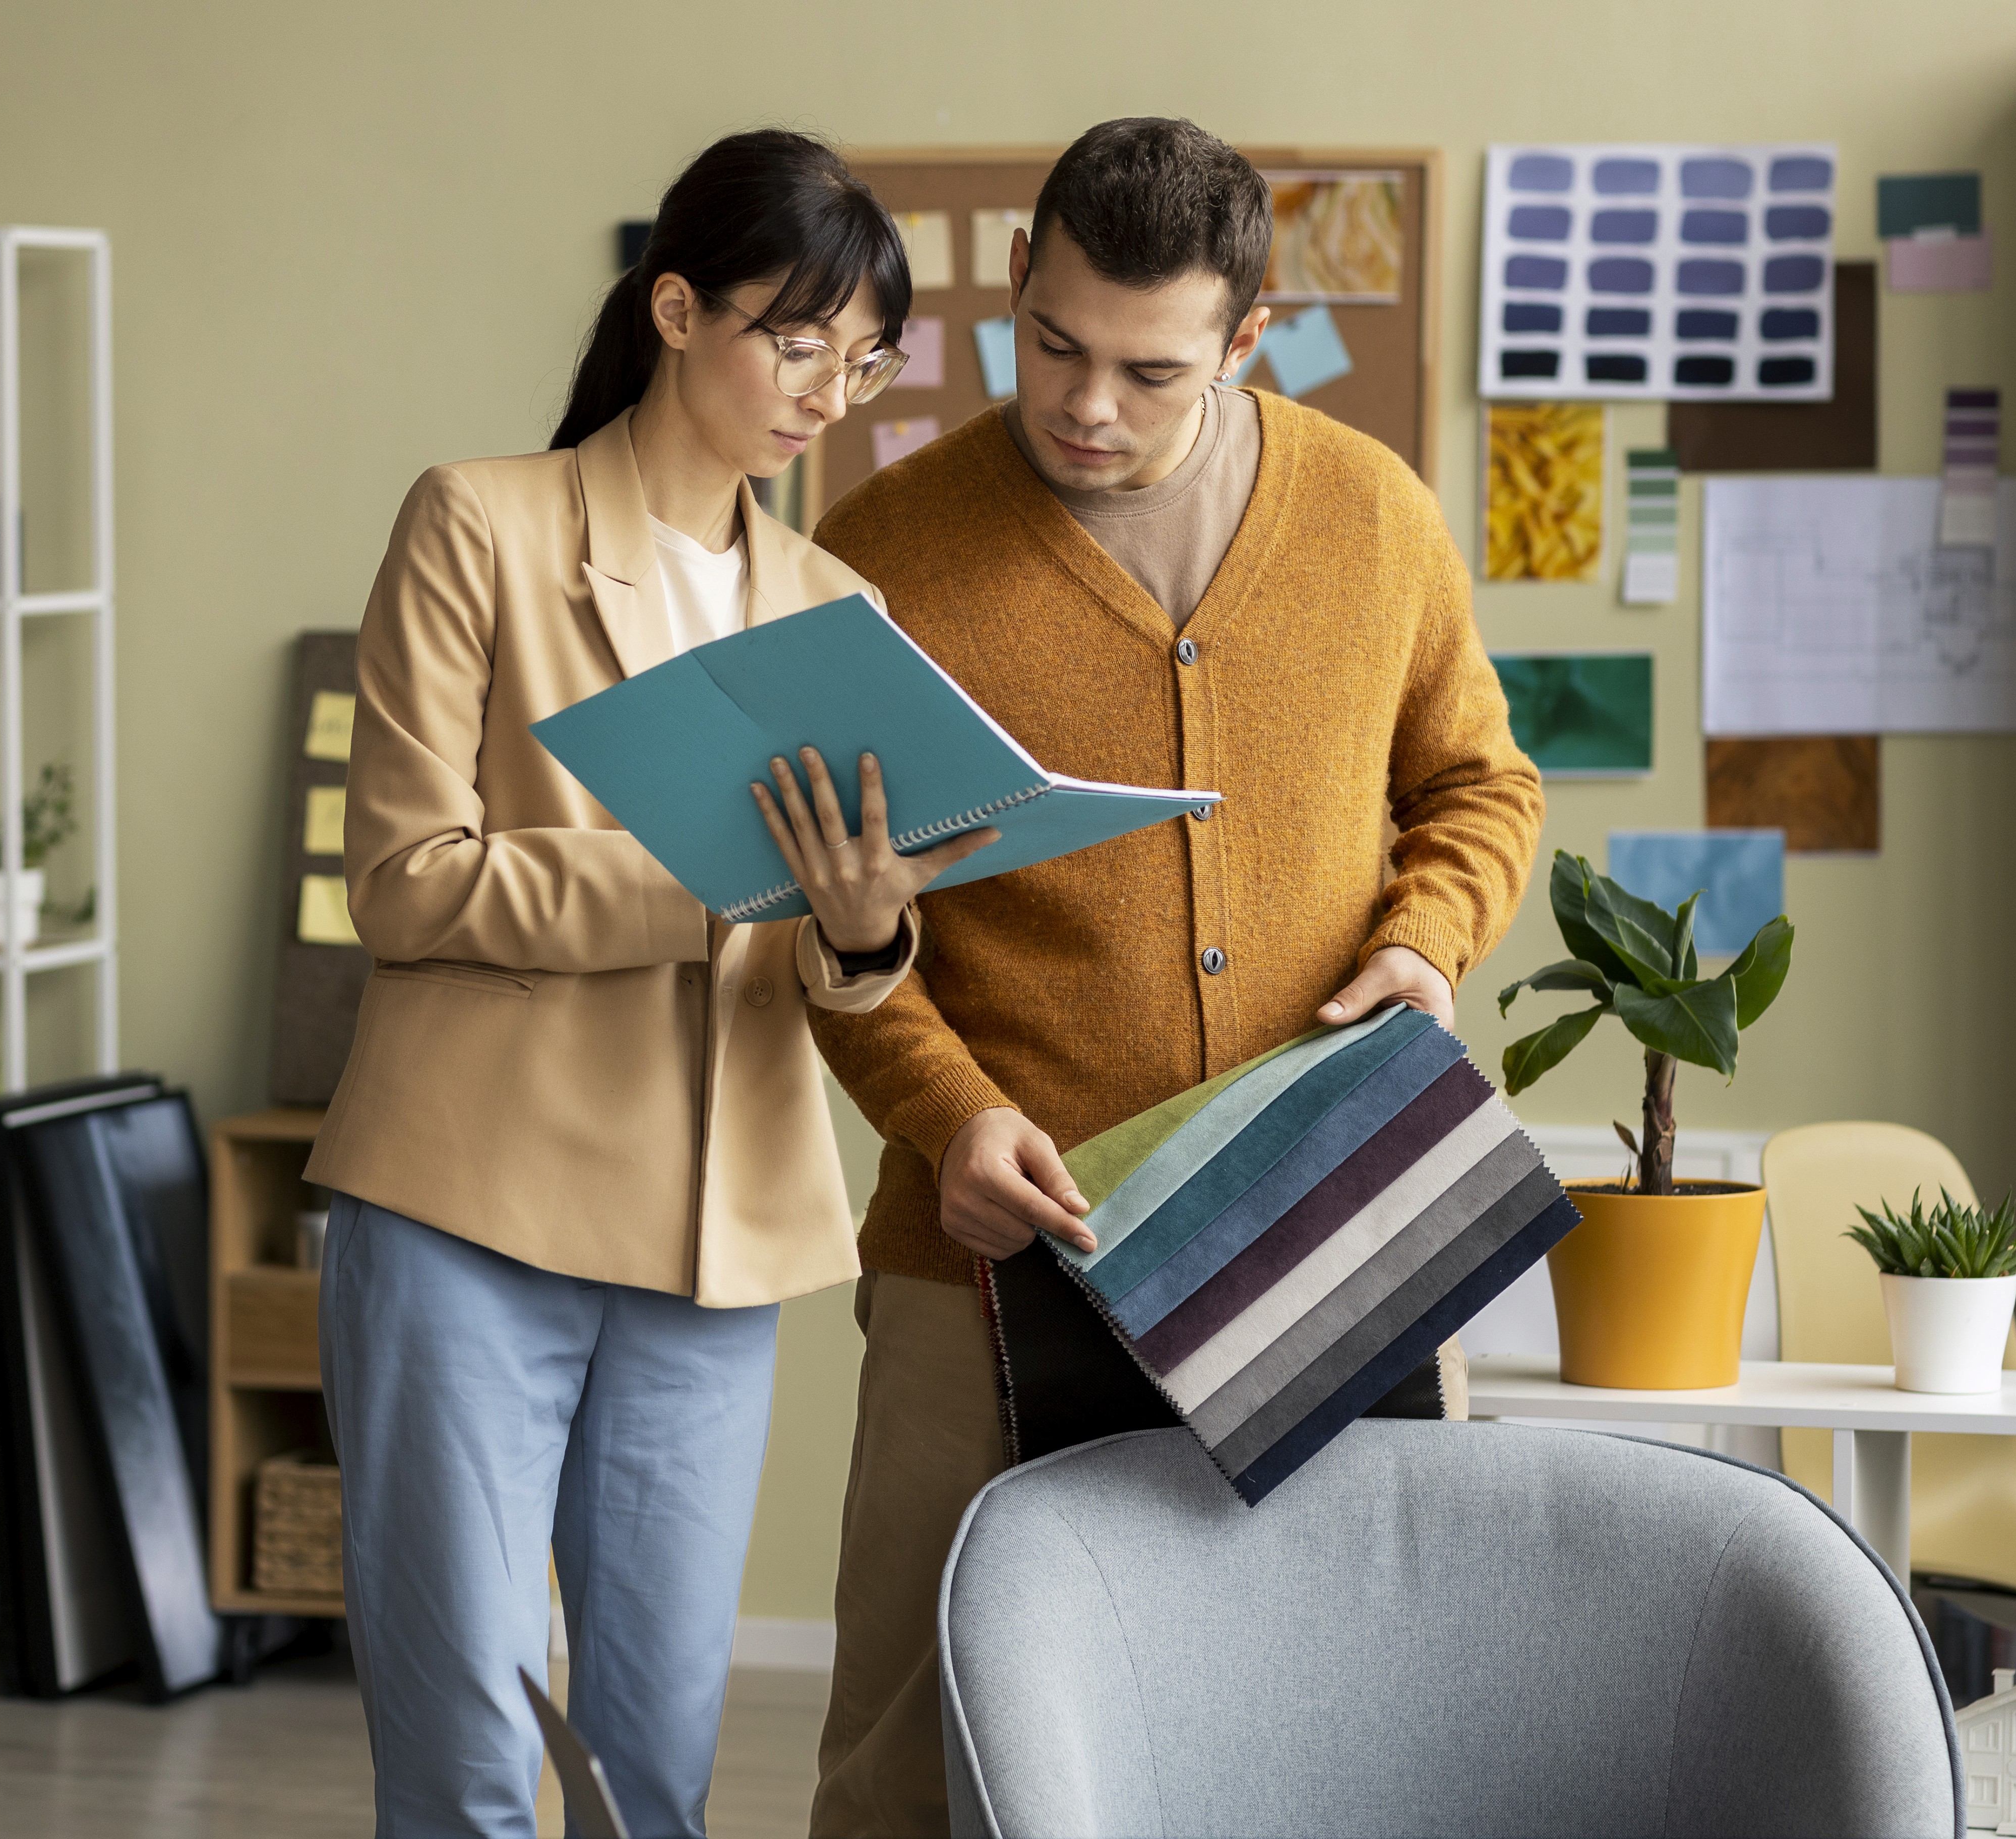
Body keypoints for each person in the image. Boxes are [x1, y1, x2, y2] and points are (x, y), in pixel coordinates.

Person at [804, 117, 1548, 1838]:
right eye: (1052, 344)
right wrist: (950, 1117)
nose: (1085, 403)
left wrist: (1420, 948)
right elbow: (827, 929)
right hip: (989, 1241)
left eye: (1148, 370)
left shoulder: (1372, 516)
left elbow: (1484, 788)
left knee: (1351, 1711)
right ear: (1016, 282)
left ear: (1248, 340)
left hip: (1332, 1209)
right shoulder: (887, 550)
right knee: (915, 1739)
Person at [305, 128, 995, 1839]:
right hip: (468, 1209)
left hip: (715, 1251)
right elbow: (404, 883)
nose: (826, 390)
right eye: (793, 339)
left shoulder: (835, 604)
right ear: (676, 309)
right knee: (466, 1763)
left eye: (862, 360)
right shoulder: (481, 523)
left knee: (654, 1781)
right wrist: (708, 882)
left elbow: (832, 974)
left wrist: (859, 925)